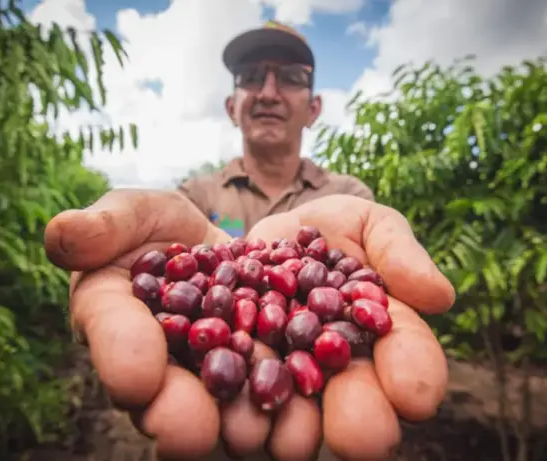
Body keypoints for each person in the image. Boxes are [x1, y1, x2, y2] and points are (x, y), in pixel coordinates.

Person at [44, 21, 456, 461]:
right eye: (252, 76)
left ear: (314, 108)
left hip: (325, 438)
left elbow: (359, 292)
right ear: (231, 105)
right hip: (210, 435)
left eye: (291, 77)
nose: (269, 92)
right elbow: (176, 268)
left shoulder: (351, 197)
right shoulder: (194, 197)